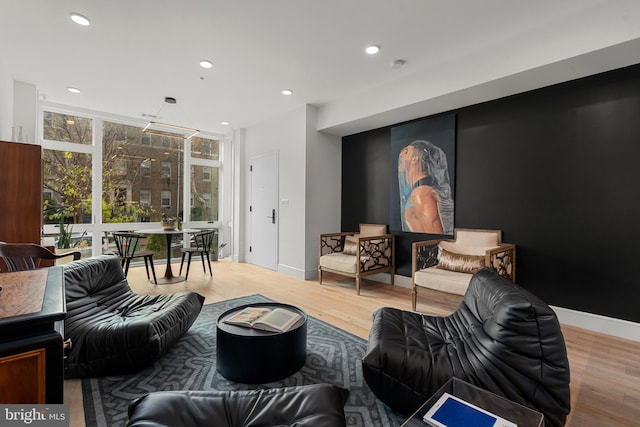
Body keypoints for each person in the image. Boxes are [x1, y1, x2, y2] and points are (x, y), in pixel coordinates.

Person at [398, 140, 454, 234]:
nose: (401, 156)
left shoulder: (422, 194)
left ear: (414, 159)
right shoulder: (417, 192)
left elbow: (435, 238)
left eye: (406, 152)